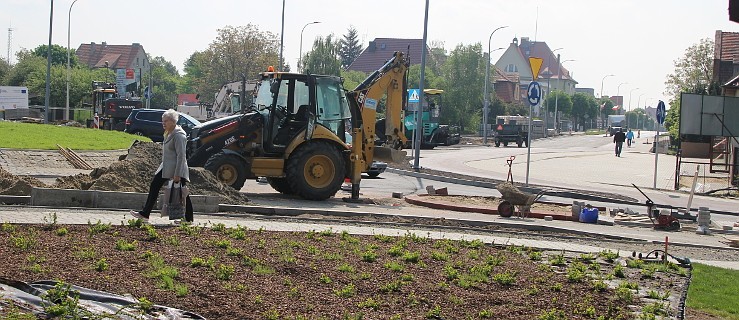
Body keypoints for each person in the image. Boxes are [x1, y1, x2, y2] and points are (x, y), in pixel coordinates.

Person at [131, 109, 194, 223]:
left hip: (176, 169)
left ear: (173, 121)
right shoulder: (168, 133)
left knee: (182, 193)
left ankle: (188, 218)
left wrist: (177, 174)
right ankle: (145, 213)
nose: (163, 123)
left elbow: (181, 156)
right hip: (166, 167)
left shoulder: (179, 135)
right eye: (162, 121)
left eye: (166, 121)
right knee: (155, 186)